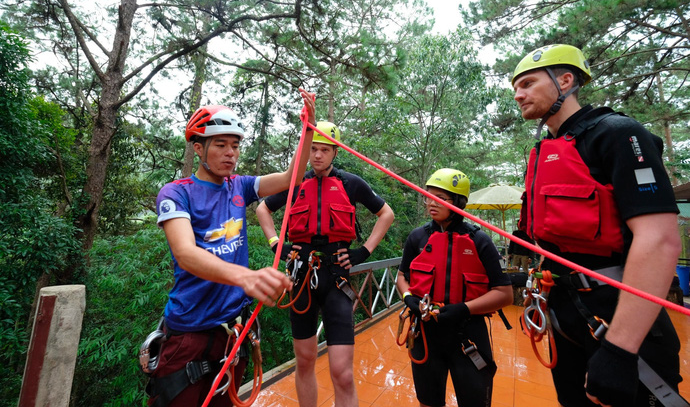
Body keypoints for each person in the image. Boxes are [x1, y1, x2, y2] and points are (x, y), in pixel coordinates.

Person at [512, 44, 682, 406]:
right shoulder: (546, 152)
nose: (518, 94)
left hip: (620, 318)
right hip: (565, 315)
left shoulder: (618, 134)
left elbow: (660, 240)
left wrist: (620, 350)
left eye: (527, 83)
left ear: (566, 80)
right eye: (515, 87)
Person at [146, 90, 315, 407]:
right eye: (220, 145)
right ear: (198, 148)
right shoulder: (176, 193)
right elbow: (185, 252)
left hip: (231, 335)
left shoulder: (239, 186)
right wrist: (246, 278)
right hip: (188, 333)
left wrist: (307, 130)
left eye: (235, 146)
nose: (230, 154)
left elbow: (291, 178)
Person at [256, 120, 394, 407]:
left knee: (341, 372)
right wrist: (275, 243)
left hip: (337, 278)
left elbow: (386, 213)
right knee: (304, 362)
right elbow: (262, 208)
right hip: (301, 277)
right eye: (313, 149)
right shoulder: (295, 184)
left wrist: (363, 251)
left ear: (334, 152)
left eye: (324, 150)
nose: (317, 155)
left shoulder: (351, 183)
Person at [395, 168, 513, 407]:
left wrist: (464, 309)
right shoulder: (417, 238)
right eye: (428, 196)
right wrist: (408, 297)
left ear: (459, 202)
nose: (431, 203)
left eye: (441, 198)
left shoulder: (479, 241)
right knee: (427, 401)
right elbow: (401, 276)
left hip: (467, 333)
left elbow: (505, 294)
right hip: (425, 333)